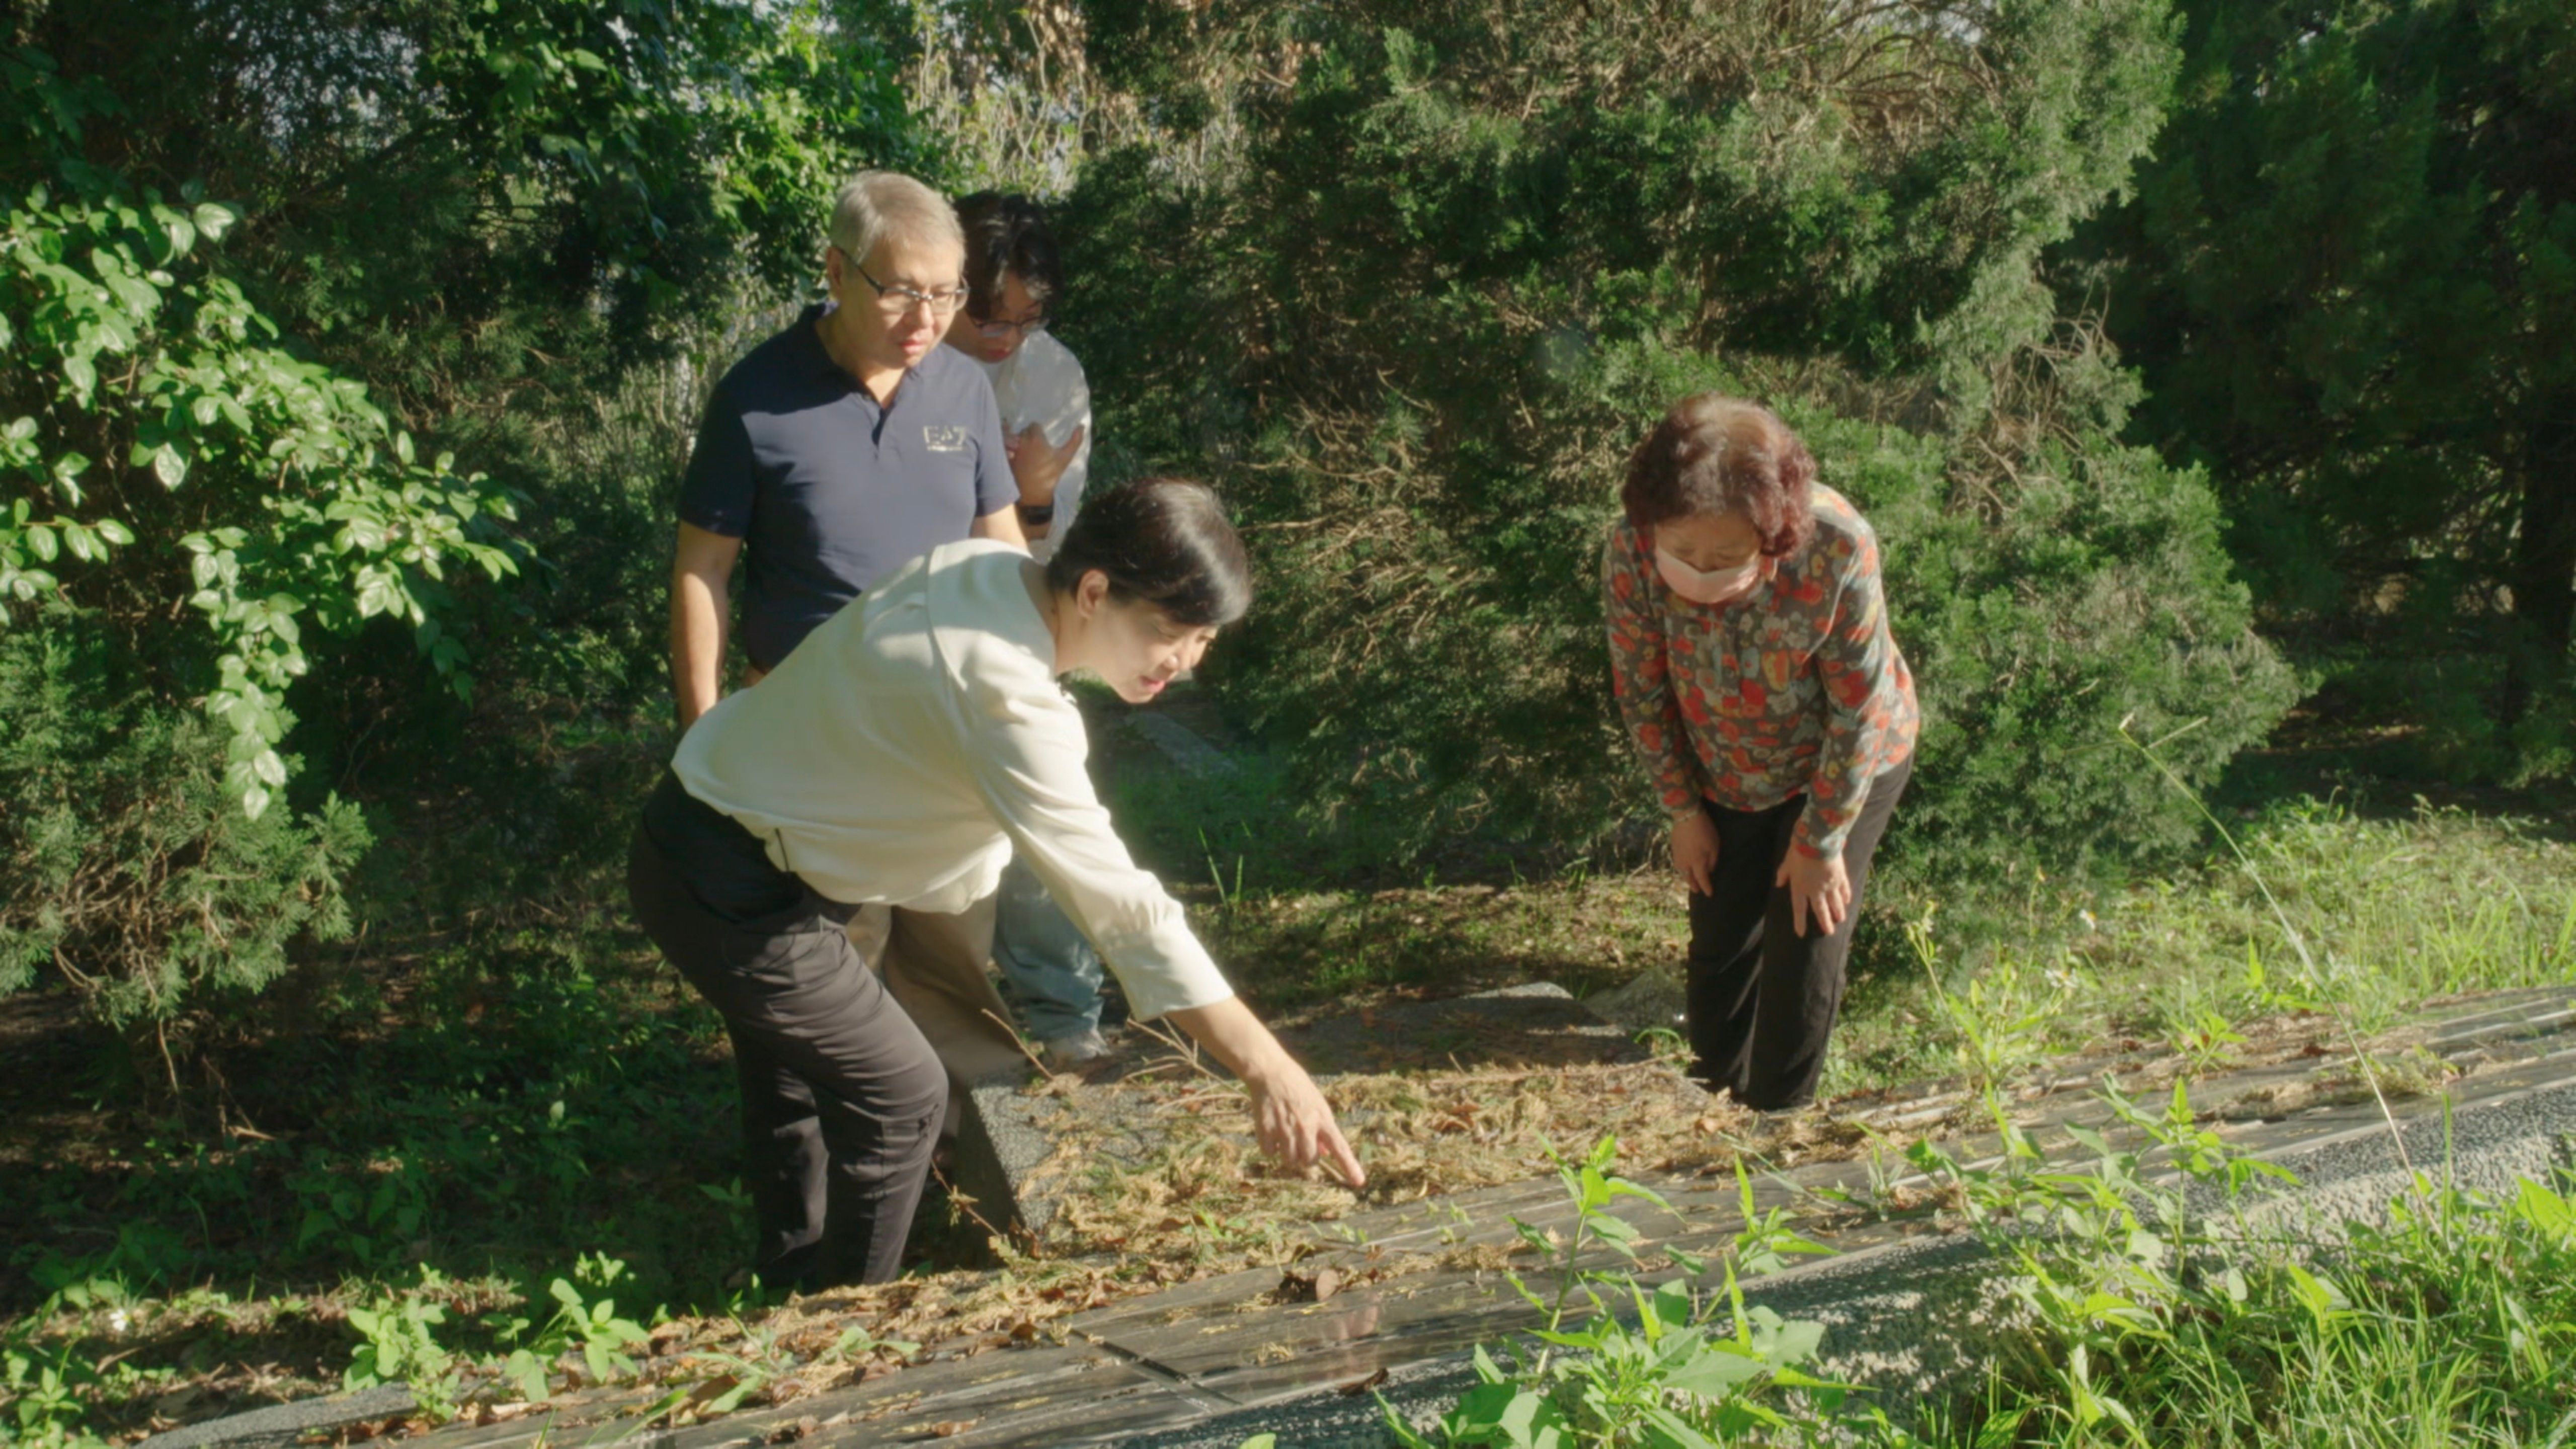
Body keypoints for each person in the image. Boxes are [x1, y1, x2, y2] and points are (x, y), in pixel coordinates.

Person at [629, 479, 1366, 1290]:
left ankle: (793, 1280)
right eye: (1168, 633)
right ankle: (841, 1325)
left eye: (1202, 642)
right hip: (728, 883)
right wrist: (1269, 1067)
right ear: (1092, 591)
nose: (1182, 665)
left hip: (724, 836)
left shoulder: (987, 570)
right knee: (902, 1093)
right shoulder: (1006, 693)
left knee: (804, 1073)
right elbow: (1125, 909)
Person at [667, 170, 1032, 1114]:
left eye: (948, 293)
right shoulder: (758, 397)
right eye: (902, 289)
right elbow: (701, 572)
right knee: (834, 981)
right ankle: (838, 1191)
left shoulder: (963, 389)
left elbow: (1004, 557)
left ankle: (969, 1167)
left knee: (954, 967)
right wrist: (705, 732)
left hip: (947, 742)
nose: (927, 317)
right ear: (837, 269)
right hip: (812, 749)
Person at [1602, 395, 1919, 1113]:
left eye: (1726, 557)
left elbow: (1860, 707)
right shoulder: (1629, 548)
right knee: (1720, 931)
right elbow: (1640, 690)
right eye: (1683, 554)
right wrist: (1682, 810)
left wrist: (1820, 839)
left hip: (1843, 762)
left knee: (1807, 931)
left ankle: (1779, 1115)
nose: (1702, 574)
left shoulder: (1838, 546)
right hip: (1721, 762)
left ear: (1772, 535)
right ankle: (1711, 1103)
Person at [942, 192, 1111, 1071]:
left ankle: (1065, 1019)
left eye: (1028, 316)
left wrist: (1033, 492)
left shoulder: (1055, 377)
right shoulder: (903, 352)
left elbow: (1051, 550)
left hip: (1017, 630)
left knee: (1043, 832)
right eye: (986, 316)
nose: (1005, 336)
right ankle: (945, 1038)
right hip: (909, 636)